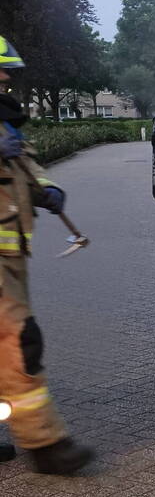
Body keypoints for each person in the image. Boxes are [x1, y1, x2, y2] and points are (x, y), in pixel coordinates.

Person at [0, 36, 93, 474]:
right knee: (19, 341)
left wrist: (46, 188)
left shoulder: (4, 117)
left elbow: (24, 161)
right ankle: (45, 442)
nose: (4, 78)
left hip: (10, 250)